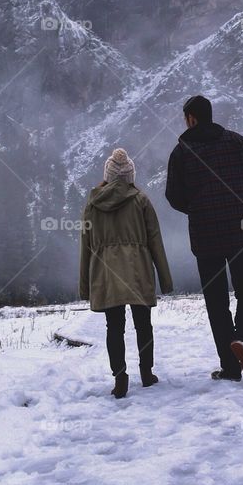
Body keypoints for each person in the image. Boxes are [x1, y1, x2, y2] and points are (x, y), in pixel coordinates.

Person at [165, 95, 243, 382]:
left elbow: (173, 196)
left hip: (206, 236)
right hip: (241, 230)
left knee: (216, 300)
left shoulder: (182, 152)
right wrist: (242, 201)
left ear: (191, 118)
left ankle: (231, 366)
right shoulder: (237, 142)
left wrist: (198, 210)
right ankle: (242, 339)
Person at [80, 148, 173, 398]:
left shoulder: (93, 203)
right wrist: (165, 278)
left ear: (108, 175)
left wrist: (84, 285)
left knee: (114, 327)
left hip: (106, 273)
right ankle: (146, 373)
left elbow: (85, 244)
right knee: (143, 324)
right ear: (130, 176)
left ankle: (120, 378)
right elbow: (155, 240)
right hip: (138, 270)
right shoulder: (141, 200)